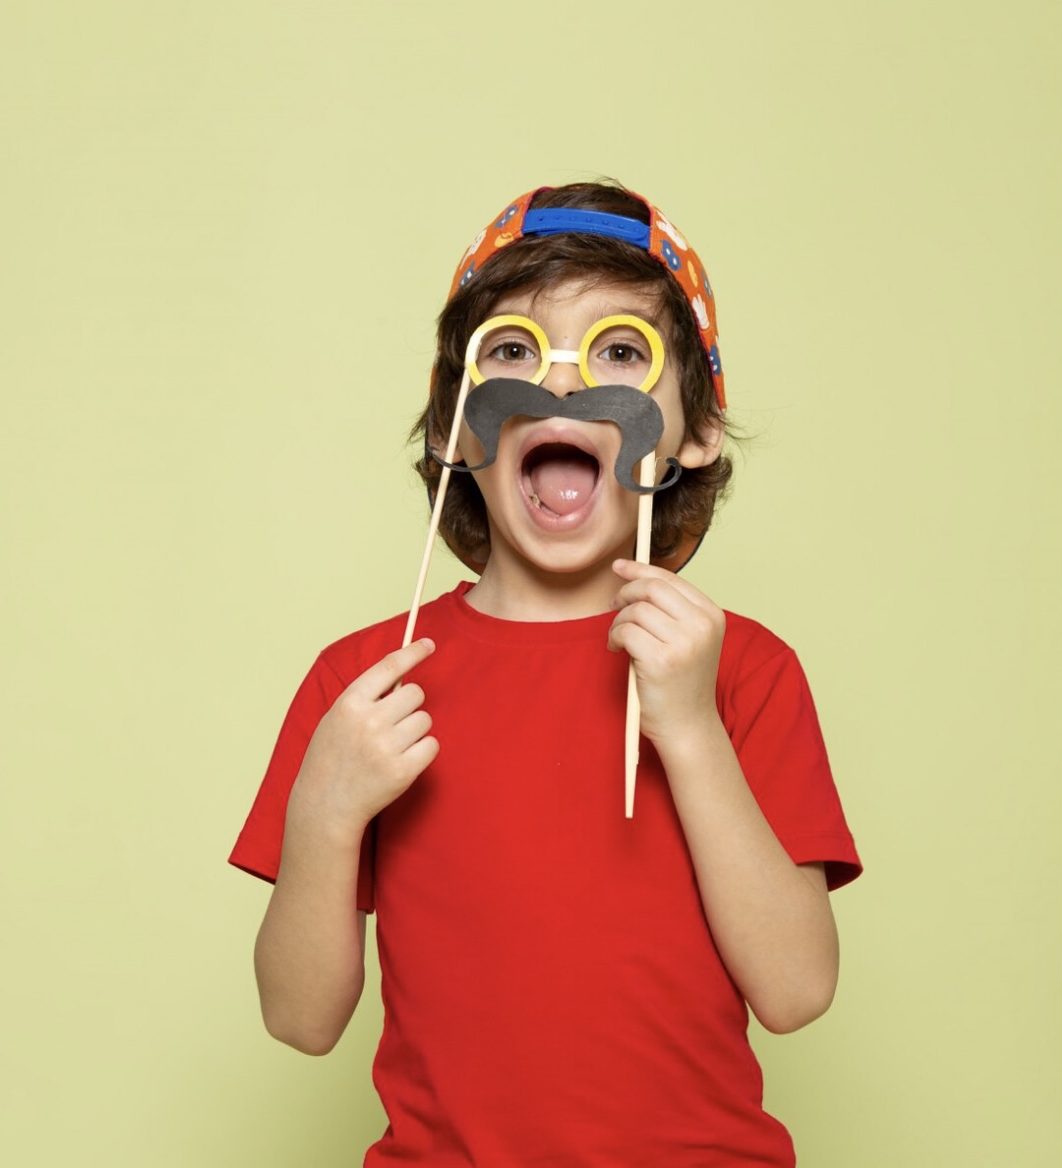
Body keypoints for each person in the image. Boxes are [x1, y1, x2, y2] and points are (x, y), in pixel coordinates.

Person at [229, 181, 862, 1166]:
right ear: (452, 429)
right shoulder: (365, 682)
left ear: (693, 431)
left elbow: (795, 990)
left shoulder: (744, 671)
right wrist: (324, 812)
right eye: (512, 352)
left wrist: (688, 729)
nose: (560, 384)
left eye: (619, 350)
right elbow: (298, 1018)